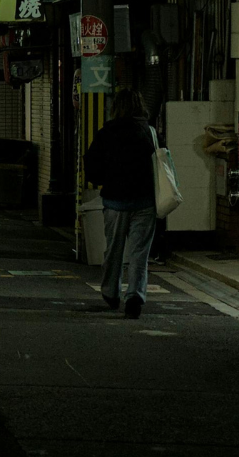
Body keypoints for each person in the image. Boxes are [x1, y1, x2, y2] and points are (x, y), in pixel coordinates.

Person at [83, 89, 156, 318]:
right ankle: (135, 295)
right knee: (139, 253)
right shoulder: (149, 132)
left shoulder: (106, 133)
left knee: (113, 250)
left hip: (115, 202)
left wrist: (106, 180)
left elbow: (92, 167)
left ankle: (110, 292)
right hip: (145, 202)